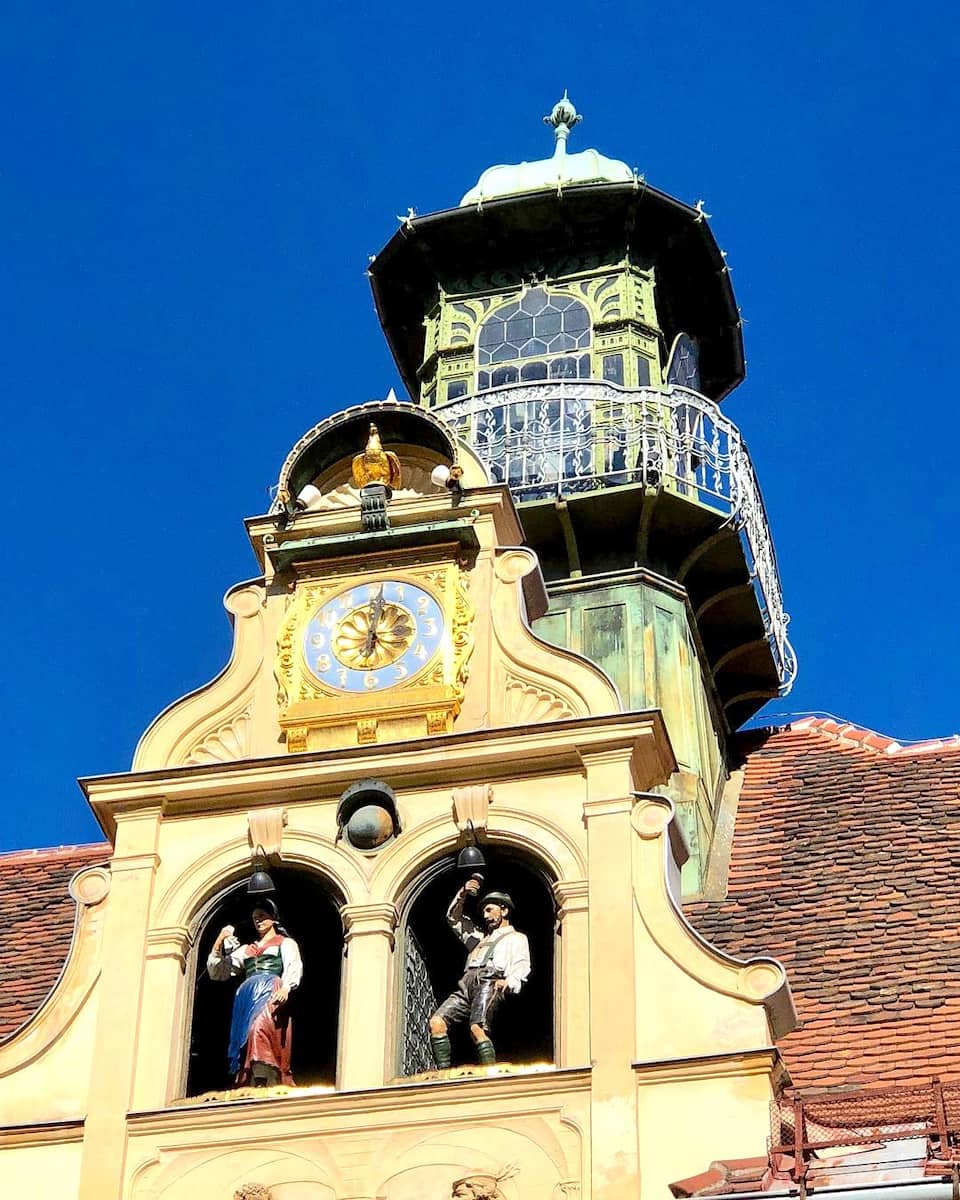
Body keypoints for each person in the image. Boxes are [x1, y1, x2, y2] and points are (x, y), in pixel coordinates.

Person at [428, 877, 530, 1067]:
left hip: (488, 980)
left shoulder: (516, 938)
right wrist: (463, 893)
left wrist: (510, 981)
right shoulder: (479, 938)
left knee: (477, 1027)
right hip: (466, 983)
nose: (485, 915)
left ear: (504, 910)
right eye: (483, 910)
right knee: (437, 1022)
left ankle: (489, 1073)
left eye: (489, 909)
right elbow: (454, 919)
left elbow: (521, 963)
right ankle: (442, 1073)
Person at [207, 898, 303, 1087]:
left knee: (259, 1028)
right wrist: (219, 941)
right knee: (245, 1035)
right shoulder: (246, 949)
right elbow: (218, 971)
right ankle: (252, 1075)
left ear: (273, 918)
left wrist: (286, 987)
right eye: (255, 918)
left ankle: (264, 1073)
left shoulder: (285, 943)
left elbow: (293, 965)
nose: (257, 921)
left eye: (262, 916)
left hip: (270, 990)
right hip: (247, 996)